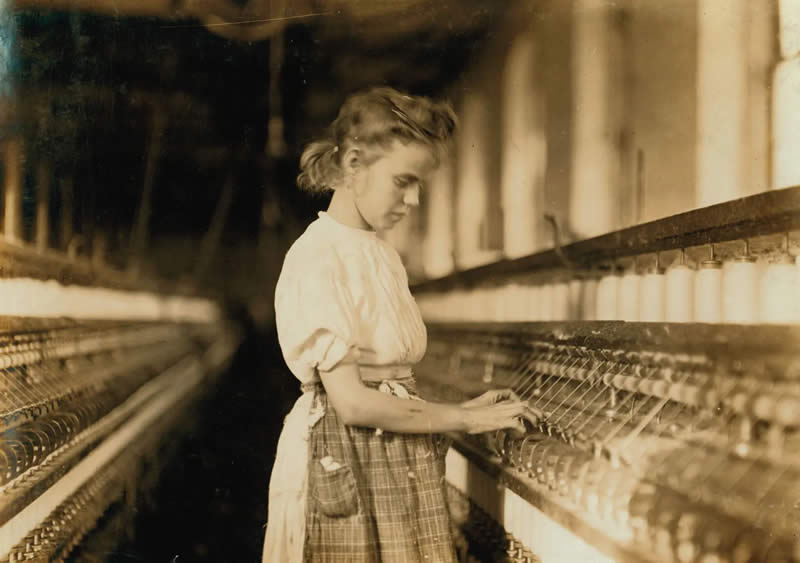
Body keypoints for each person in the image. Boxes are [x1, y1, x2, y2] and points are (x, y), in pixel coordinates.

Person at [262, 86, 534, 562]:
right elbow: (352, 403)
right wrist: (466, 419)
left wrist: (463, 406)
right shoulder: (318, 257)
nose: (411, 200)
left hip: (392, 458)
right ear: (353, 165)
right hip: (348, 459)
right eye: (402, 181)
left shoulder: (381, 254)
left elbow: (386, 380)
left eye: (419, 186)